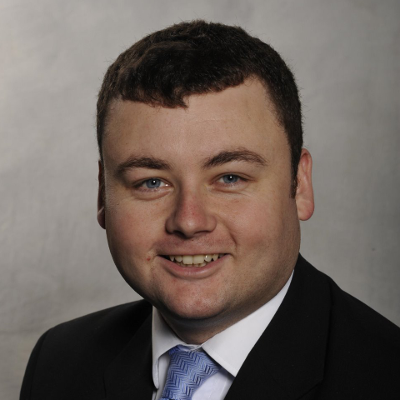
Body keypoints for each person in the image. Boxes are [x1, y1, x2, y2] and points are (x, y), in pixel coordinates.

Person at [20, 20, 400, 400]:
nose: (189, 221)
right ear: (103, 194)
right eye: (151, 182)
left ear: (299, 185)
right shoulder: (58, 363)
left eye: (230, 178)